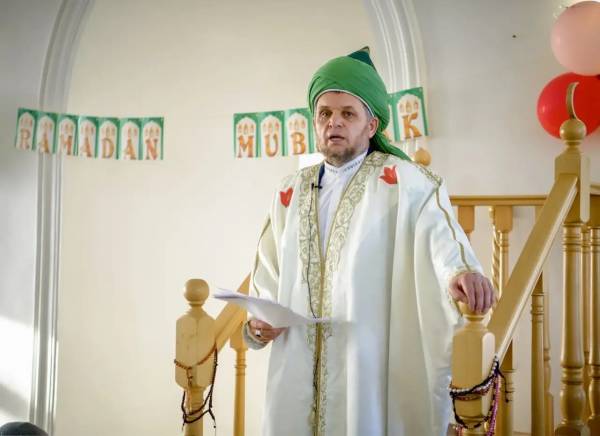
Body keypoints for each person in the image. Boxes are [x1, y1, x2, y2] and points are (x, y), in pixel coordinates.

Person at [242, 47, 495, 436]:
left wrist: (460, 270)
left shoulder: (404, 182)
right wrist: (258, 323)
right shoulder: (290, 191)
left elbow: (439, 232)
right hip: (296, 358)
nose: (334, 122)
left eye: (348, 114)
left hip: (369, 359)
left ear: (372, 125)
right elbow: (268, 268)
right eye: (324, 113)